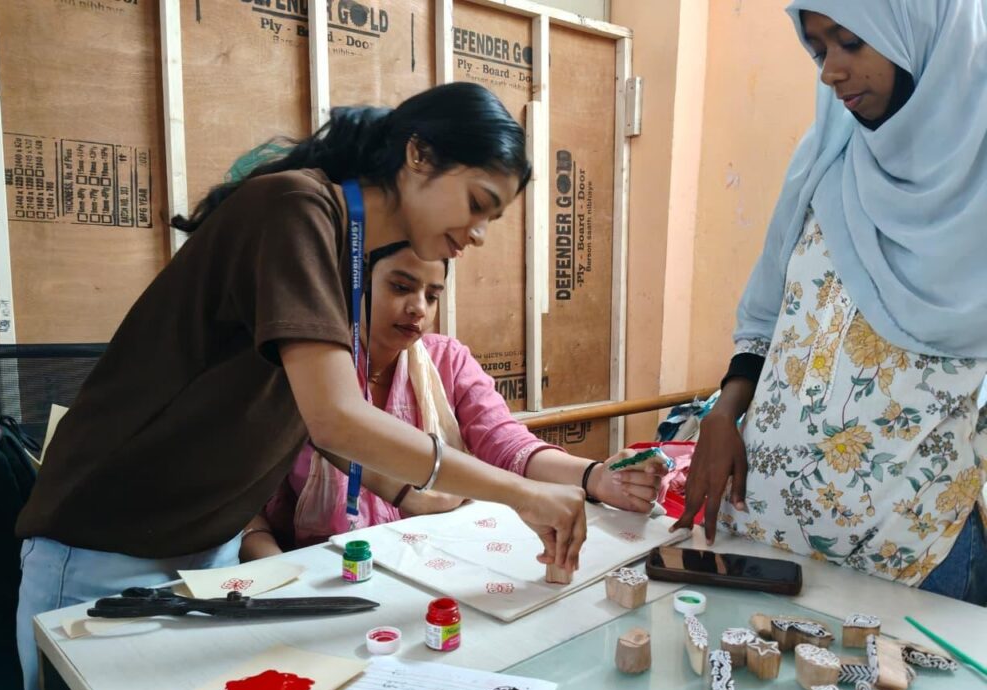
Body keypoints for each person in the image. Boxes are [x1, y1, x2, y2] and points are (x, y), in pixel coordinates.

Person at [11, 83, 589, 690]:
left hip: (205, 549)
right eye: (478, 203)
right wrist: (520, 493)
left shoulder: (345, 250)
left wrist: (406, 494)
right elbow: (336, 417)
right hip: (106, 545)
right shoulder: (296, 209)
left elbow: (304, 414)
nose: (479, 233)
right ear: (418, 156)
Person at [676, 0, 987, 605]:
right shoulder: (826, 156)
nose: (829, 72)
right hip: (765, 531)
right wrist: (723, 413)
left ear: (920, 31)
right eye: (818, 49)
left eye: (850, 42)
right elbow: (767, 314)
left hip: (914, 554)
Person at [240, 245, 666, 560]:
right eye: (400, 287)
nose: (417, 308)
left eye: (432, 295)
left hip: (434, 562)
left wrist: (596, 477)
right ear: (357, 284)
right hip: (326, 570)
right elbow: (248, 505)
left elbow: (507, 444)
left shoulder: (448, 360)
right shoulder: (307, 372)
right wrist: (276, 571)